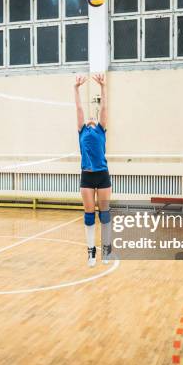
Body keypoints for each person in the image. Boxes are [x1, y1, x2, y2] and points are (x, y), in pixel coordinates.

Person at [74, 74, 112, 267]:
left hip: (102, 175)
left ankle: (106, 248)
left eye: (92, 117)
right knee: (89, 214)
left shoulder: (100, 130)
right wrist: (76, 88)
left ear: (96, 121)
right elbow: (79, 108)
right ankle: (91, 252)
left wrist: (103, 87)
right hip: (87, 177)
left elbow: (104, 108)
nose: (89, 117)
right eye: (87, 118)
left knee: (104, 214)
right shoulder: (82, 131)